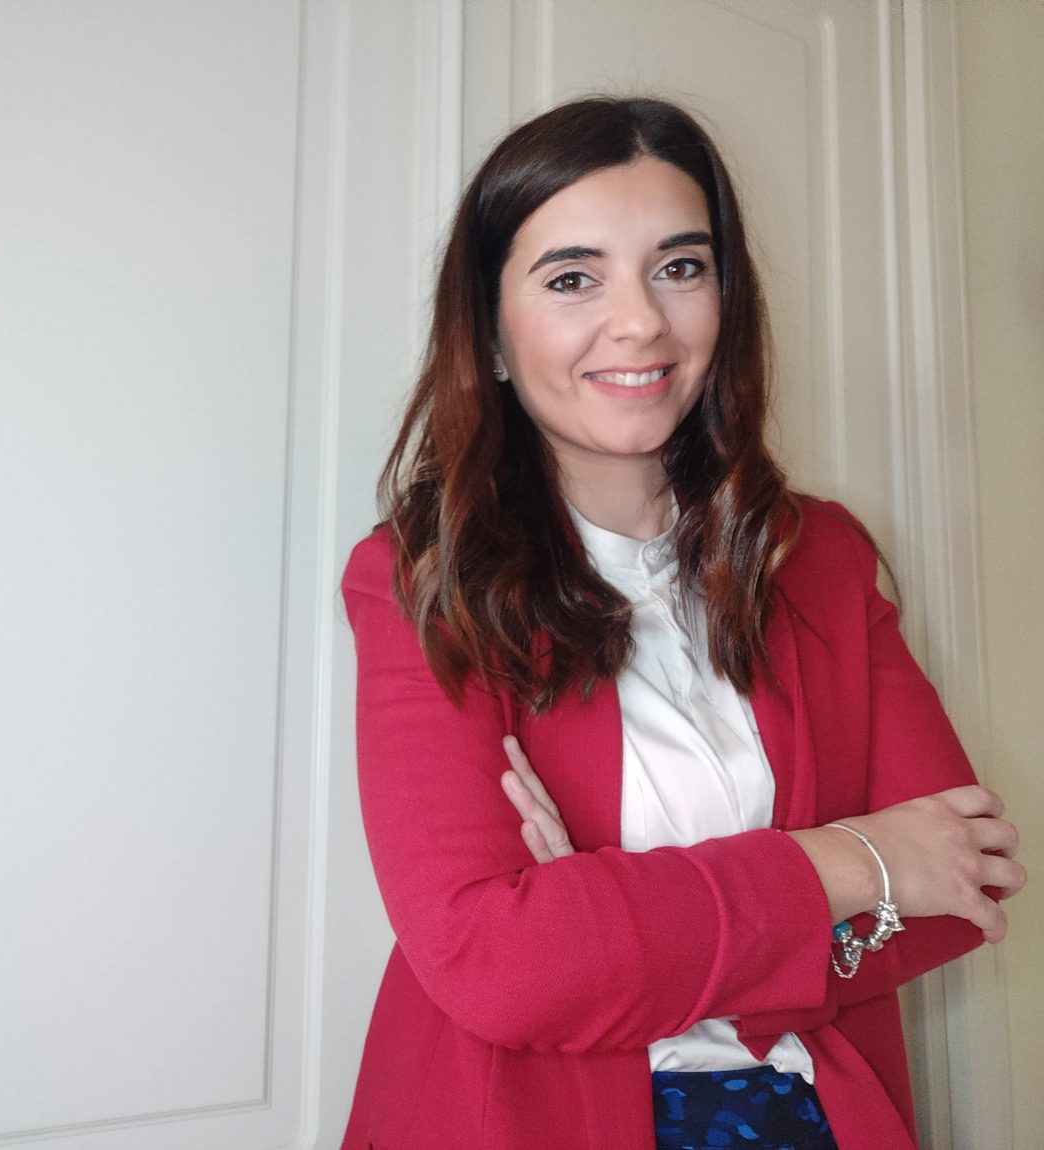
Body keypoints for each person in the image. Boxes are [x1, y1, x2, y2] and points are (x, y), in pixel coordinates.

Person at [340, 96, 1026, 1150]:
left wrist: (609, 917)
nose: (641, 322)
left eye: (680, 266)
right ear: (493, 334)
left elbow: (960, 886)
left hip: (804, 1116)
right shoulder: (421, 579)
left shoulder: (822, 557)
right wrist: (850, 864)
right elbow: (501, 966)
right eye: (573, 278)